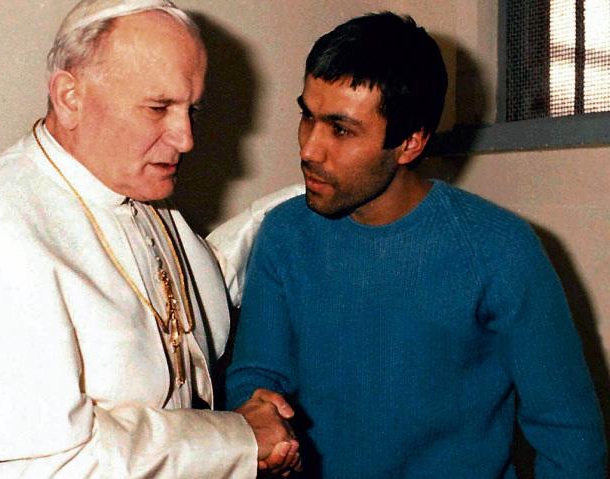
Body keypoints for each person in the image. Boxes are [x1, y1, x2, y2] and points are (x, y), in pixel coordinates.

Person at [0, 0, 303, 477]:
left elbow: (187, 308)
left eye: (192, 109)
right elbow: (51, 463)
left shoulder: (138, 197)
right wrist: (237, 438)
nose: (186, 138)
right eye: (158, 108)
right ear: (70, 97)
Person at [225, 11, 607, 478]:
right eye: (308, 116)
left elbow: (569, 437)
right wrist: (259, 413)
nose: (309, 149)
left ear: (410, 142)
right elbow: (256, 376)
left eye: (341, 129)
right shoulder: (283, 234)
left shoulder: (501, 250)